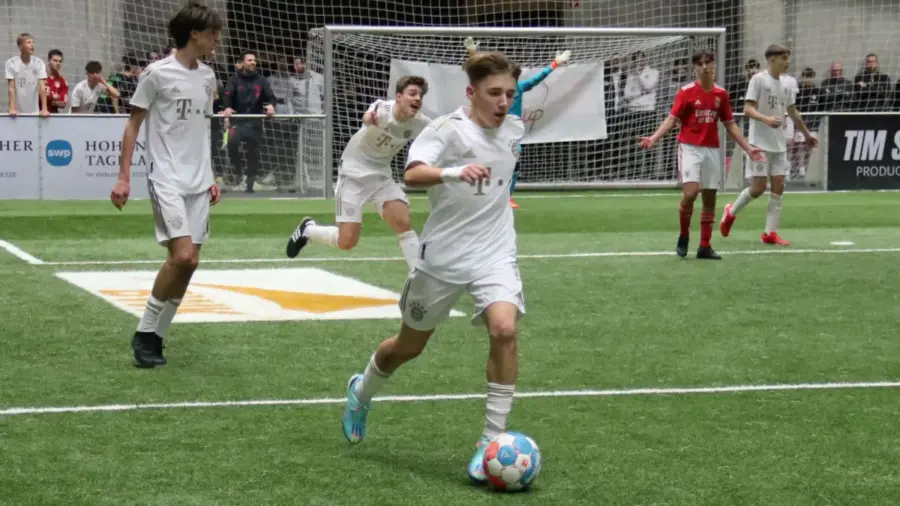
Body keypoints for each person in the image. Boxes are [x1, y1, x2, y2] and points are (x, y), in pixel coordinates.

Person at [339, 51, 527, 485]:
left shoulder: (515, 128)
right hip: (442, 257)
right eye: (494, 93)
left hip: (496, 251)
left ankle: (490, 442)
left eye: (509, 94)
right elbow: (413, 173)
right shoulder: (446, 130)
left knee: (504, 330)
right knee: (408, 347)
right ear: (471, 93)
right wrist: (456, 172)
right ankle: (361, 391)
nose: (503, 103)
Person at [109, 1, 223, 368]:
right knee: (183, 256)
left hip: (199, 180)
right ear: (194, 34)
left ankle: (157, 338)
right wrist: (124, 176)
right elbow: (133, 125)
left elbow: (203, 128)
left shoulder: (208, 77)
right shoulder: (156, 74)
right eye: (212, 33)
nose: (216, 39)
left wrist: (212, 174)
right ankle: (144, 332)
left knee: (190, 264)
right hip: (167, 177)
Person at [286, 76, 430, 271]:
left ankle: (419, 277)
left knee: (403, 224)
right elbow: (368, 116)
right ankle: (308, 229)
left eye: (420, 95)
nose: (417, 99)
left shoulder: (420, 123)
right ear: (398, 97)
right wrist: (369, 119)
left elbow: (442, 131)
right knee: (346, 242)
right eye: (412, 94)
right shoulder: (383, 108)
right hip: (353, 174)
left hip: (381, 177)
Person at [639, 50, 763, 259]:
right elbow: (671, 119)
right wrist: (653, 138)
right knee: (690, 193)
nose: (704, 66)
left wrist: (748, 148)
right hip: (689, 148)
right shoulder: (686, 92)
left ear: (714, 65)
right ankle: (684, 234)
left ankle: (704, 246)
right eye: (699, 63)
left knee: (710, 197)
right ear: (695, 68)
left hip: (712, 149)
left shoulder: (721, 94)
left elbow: (730, 125)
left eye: (708, 62)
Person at [720, 44, 818, 245]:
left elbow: (792, 111)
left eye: (788, 57)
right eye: (784, 57)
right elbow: (747, 109)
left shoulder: (787, 84)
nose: (787, 61)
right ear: (772, 59)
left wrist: (806, 135)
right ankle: (730, 212)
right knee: (757, 189)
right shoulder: (758, 80)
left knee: (779, 187)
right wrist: (766, 119)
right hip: (759, 144)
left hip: (779, 144)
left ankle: (769, 233)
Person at [465, 37, 569, 209]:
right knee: (483, 160)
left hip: (511, 131)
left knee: (514, 166)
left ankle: (507, 197)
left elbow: (538, 78)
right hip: (489, 127)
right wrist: (473, 53)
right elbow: (480, 72)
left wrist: (555, 63)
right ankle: (482, 195)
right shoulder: (489, 87)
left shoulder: (520, 87)